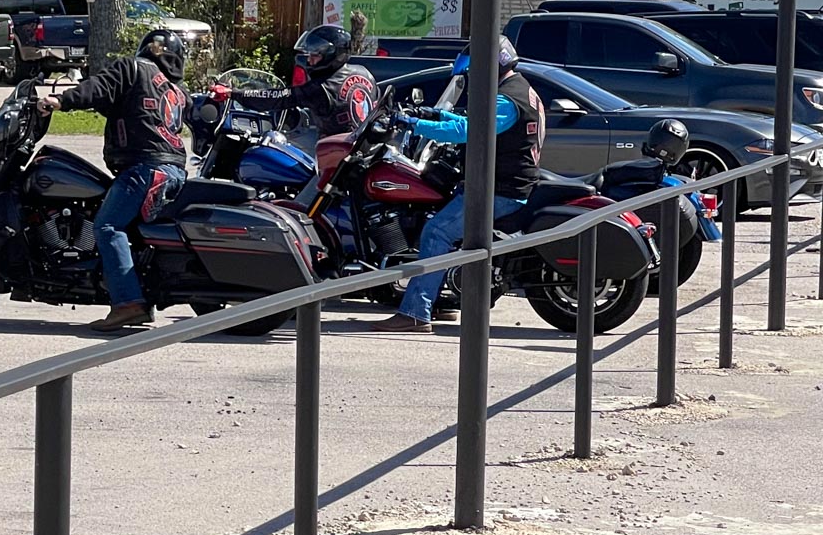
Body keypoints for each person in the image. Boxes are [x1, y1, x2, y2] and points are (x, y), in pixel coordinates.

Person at [374, 36, 545, 333]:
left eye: (475, 71)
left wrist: (413, 124)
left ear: (491, 66)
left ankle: (415, 313)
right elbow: (476, 118)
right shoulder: (517, 89)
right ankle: (438, 300)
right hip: (505, 184)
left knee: (436, 232)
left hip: (501, 190)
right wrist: (433, 113)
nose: (472, 77)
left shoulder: (507, 100)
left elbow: (467, 129)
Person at [36, 27, 194, 333]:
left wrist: (60, 99)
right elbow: (119, 103)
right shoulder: (175, 89)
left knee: (108, 226)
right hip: (173, 169)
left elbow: (98, 87)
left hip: (144, 168)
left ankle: (128, 304)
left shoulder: (132, 68)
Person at [227, 24, 377, 148]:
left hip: (337, 159)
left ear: (332, 54)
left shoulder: (322, 88)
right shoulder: (365, 73)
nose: (309, 60)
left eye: (315, 55)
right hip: (366, 151)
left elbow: (278, 98)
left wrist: (233, 93)